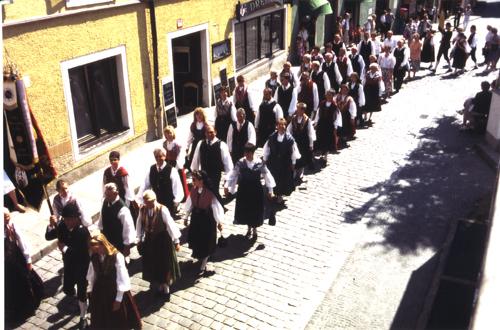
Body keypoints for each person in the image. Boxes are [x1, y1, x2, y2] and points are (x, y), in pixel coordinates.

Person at [45, 203, 90, 329]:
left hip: (82, 266)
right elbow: (48, 236)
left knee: (82, 292)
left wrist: (64, 248)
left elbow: (79, 253)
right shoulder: (62, 226)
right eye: (65, 219)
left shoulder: (82, 231)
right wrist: (50, 224)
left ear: (76, 218)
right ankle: (82, 300)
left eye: (70, 219)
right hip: (69, 265)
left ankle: (83, 315)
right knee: (68, 289)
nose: (68, 222)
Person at [87, 234, 142, 329]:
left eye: (97, 247)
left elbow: (122, 278)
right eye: (93, 249)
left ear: (103, 244)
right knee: (101, 320)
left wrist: (118, 299)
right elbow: (92, 275)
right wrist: (91, 290)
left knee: (118, 320)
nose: (96, 251)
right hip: (100, 292)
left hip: (114, 290)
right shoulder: (95, 257)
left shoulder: (117, 257)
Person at [225, 143, 276, 240]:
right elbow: (233, 175)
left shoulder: (259, 163)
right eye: (246, 153)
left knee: (255, 211)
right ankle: (248, 229)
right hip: (244, 190)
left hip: (256, 190)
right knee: (247, 210)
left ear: (253, 153)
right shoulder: (240, 163)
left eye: (250, 153)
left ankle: (255, 230)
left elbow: (267, 176)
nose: (248, 155)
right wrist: (227, 186)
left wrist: (270, 190)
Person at [136, 190, 181, 298]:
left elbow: (170, 225)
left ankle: (166, 287)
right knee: (153, 263)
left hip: (162, 240)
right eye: (146, 202)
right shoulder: (143, 209)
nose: (148, 204)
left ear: (154, 200)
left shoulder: (162, 209)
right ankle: (159, 283)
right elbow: (139, 224)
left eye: (150, 202)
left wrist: (176, 240)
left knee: (164, 264)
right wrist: (139, 239)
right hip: (150, 241)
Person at [4, 208, 43, 323]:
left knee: (25, 281)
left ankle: (30, 304)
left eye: (8, 216)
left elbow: (22, 243)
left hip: (17, 259)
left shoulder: (12, 226)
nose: (7, 219)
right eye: (4, 217)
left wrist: (28, 260)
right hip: (6, 264)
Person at [184, 170, 224, 275]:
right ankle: (201, 256)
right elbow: (190, 204)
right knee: (198, 240)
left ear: (201, 180)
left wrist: (219, 221)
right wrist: (186, 217)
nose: (192, 181)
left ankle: (203, 265)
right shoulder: (194, 190)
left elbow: (215, 207)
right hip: (196, 219)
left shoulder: (210, 193)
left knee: (206, 242)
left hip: (207, 220)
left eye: (194, 180)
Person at [263, 118, 301, 202]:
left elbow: (293, 152)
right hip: (274, 162)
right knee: (274, 178)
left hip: (285, 163)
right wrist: (265, 160)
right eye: (280, 125)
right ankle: (273, 193)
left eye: (283, 125)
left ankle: (280, 195)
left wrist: (293, 163)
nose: (282, 126)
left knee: (283, 180)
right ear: (277, 126)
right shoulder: (272, 137)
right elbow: (267, 149)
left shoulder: (290, 139)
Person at [137, 148, 184, 216]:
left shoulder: (172, 170)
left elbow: (177, 187)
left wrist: (176, 202)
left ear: (164, 156)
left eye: (160, 156)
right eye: (156, 157)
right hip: (155, 203)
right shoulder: (152, 169)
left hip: (168, 203)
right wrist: (140, 199)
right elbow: (145, 185)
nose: (158, 158)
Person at [190, 124, 233, 195]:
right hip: (203, 175)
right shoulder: (200, 144)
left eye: (211, 132)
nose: (209, 134)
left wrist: (227, 182)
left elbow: (228, 164)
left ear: (215, 132)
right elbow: (195, 160)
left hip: (215, 175)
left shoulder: (222, 145)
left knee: (214, 193)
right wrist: (194, 177)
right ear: (205, 133)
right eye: (207, 132)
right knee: (204, 194)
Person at [98, 183, 136, 256]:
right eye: (105, 194)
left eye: (108, 195)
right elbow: (102, 217)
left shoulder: (123, 209)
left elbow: (128, 228)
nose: (106, 197)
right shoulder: (105, 202)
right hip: (107, 240)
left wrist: (127, 246)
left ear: (116, 193)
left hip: (119, 243)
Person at [287, 103, 315, 179]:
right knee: (295, 156)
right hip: (295, 141)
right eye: (297, 109)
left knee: (303, 157)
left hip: (304, 142)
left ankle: (301, 171)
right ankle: (295, 171)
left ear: (303, 110)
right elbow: (289, 130)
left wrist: (311, 144)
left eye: (299, 109)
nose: (297, 110)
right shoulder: (293, 119)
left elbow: (310, 132)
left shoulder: (307, 120)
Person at [163, 125, 189, 202]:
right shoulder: (165, 144)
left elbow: (181, 155)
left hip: (176, 163)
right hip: (168, 163)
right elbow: (165, 153)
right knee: (172, 181)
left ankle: (184, 196)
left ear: (173, 133)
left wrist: (178, 165)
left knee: (180, 180)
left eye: (169, 133)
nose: (168, 136)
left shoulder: (177, 144)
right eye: (166, 134)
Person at [315, 89, 342, 159]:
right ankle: (322, 151)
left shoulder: (335, 106)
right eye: (327, 94)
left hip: (329, 125)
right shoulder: (322, 103)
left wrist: (335, 127)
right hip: (321, 124)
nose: (328, 96)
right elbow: (318, 113)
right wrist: (316, 122)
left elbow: (337, 117)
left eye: (329, 95)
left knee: (328, 139)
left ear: (333, 96)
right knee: (321, 138)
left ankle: (326, 154)